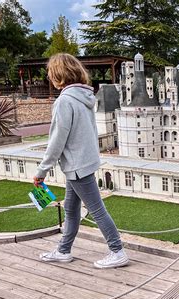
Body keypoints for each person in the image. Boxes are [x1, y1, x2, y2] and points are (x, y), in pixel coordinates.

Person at [34, 53, 129, 269]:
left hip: (77, 166)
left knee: (97, 210)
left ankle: (117, 251)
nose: (49, 78)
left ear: (59, 74)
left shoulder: (64, 102)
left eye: (50, 73)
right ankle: (64, 250)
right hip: (83, 162)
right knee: (70, 208)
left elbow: (57, 140)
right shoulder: (84, 97)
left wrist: (42, 171)